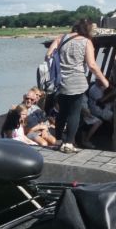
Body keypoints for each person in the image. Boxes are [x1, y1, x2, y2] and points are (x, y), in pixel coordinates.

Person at [44, 19, 109, 153]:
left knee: (62, 112)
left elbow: (48, 56)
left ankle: (58, 141)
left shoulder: (61, 38)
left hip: (60, 81)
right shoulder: (86, 42)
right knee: (74, 113)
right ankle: (68, 143)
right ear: (87, 29)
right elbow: (91, 65)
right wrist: (104, 80)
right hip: (77, 81)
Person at [81, 79, 116, 148]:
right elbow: (100, 102)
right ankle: (114, 135)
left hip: (90, 109)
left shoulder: (100, 87)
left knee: (113, 107)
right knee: (112, 116)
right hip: (94, 109)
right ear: (97, 81)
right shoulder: (94, 90)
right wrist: (111, 93)